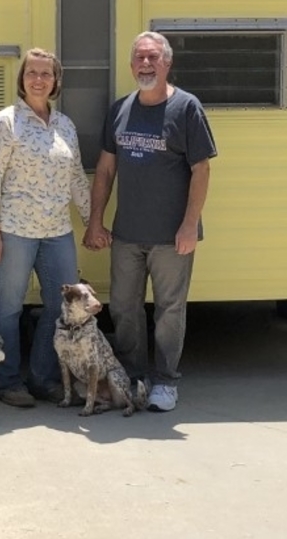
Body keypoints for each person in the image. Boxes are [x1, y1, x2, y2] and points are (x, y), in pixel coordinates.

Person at [82, 32, 217, 413]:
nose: (145, 64)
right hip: (127, 234)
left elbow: (201, 170)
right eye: (140, 58)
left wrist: (190, 225)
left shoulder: (187, 108)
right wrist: (96, 221)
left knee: (169, 312)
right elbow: (106, 170)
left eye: (153, 57)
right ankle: (133, 377)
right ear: (131, 65)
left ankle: (165, 382)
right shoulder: (121, 109)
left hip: (172, 238)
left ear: (167, 63)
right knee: (124, 308)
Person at [0, 48, 91, 407]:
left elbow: (76, 177)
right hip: (14, 230)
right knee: (7, 308)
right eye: (32, 73)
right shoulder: (6, 123)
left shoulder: (65, 126)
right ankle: (5, 381)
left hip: (58, 231)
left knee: (58, 308)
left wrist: (92, 223)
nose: (39, 80)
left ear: (56, 81)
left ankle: (43, 379)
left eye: (46, 74)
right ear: (22, 79)